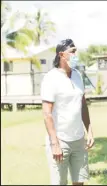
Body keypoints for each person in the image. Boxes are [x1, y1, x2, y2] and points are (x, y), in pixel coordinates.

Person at [41, 39, 94, 185]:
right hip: (60, 140)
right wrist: (54, 143)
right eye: (72, 52)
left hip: (78, 140)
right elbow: (47, 114)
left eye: (76, 51)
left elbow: (83, 105)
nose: (75, 55)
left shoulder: (77, 75)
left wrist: (89, 131)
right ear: (61, 54)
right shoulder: (51, 78)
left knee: (79, 182)